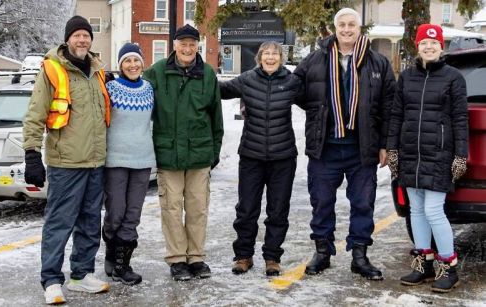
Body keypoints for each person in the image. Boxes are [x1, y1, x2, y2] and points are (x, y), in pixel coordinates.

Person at [294, 8, 395, 280]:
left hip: (362, 147)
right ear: (335, 27)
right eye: (342, 25)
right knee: (322, 201)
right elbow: (295, 89)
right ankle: (322, 252)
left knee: (363, 203)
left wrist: (386, 144)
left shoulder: (378, 63)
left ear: (359, 28)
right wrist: (320, 112)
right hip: (325, 146)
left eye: (352, 24)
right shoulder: (315, 59)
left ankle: (360, 256)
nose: (347, 29)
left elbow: (389, 106)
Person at [23, 15, 110, 304]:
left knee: (89, 222)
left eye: (86, 35)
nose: (82, 40)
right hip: (66, 163)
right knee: (59, 222)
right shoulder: (52, 70)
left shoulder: (97, 71)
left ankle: (81, 274)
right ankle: (51, 279)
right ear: (68, 39)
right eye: (77, 35)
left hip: (96, 162)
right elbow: (35, 115)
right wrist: (32, 154)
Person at [387, 24, 468, 293]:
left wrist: (461, 154)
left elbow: (460, 118)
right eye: (424, 43)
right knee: (416, 210)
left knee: (434, 210)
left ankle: (449, 267)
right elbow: (396, 115)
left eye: (434, 43)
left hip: (439, 154)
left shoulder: (453, 77)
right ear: (417, 46)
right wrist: (393, 149)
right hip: (410, 152)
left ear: (441, 47)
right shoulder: (407, 77)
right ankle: (423, 264)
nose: (429, 47)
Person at [142, 24, 223, 281]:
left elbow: (216, 118)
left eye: (192, 44)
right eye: (182, 44)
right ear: (174, 45)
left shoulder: (208, 74)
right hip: (169, 155)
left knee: (198, 208)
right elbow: (142, 109)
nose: (187, 48)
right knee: (172, 208)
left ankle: (196, 257)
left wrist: (215, 151)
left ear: (197, 46)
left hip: (199, 155)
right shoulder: (156, 73)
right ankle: (177, 258)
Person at [219, 41, 301, 276]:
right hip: (251, 156)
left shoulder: (292, 81)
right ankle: (243, 256)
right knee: (246, 209)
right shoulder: (247, 79)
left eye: (275, 54)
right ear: (259, 57)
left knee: (278, 210)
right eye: (267, 53)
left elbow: (314, 100)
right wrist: (200, 78)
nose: (271, 57)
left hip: (283, 157)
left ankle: (272, 258)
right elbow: (221, 90)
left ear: (281, 58)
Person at [102, 43, 155, 286]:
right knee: (116, 213)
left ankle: (123, 265)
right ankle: (111, 254)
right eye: (127, 61)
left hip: (142, 161)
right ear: (121, 64)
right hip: (115, 161)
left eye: (136, 60)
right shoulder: (110, 88)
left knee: (133, 214)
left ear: (142, 64)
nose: (132, 65)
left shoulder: (149, 89)